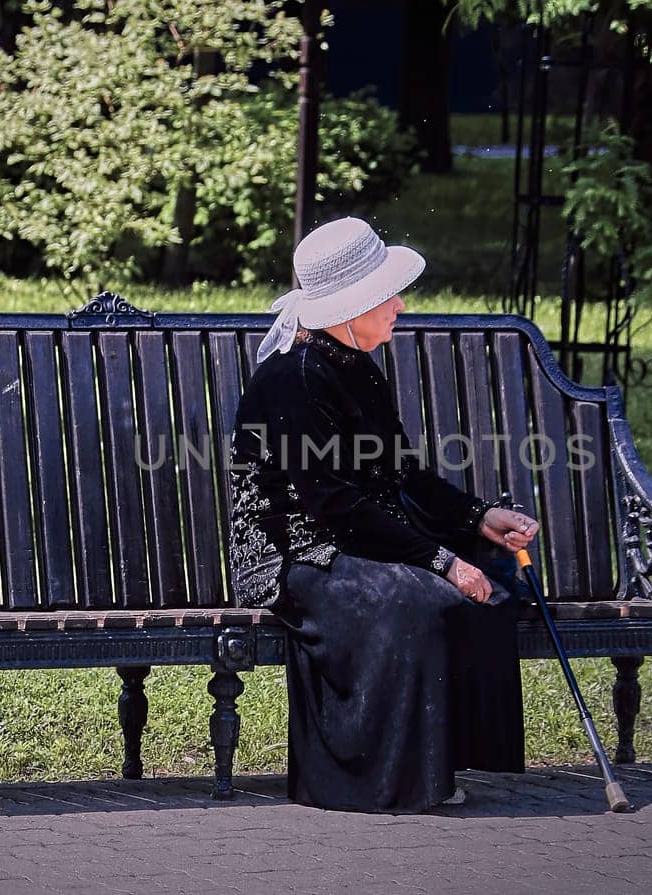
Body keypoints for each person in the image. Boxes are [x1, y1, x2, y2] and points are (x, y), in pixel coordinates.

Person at [227, 217, 541, 813]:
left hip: (352, 538)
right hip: (294, 554)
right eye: (385, 295)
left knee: (496, 583)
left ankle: (440, 765)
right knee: (421, 600)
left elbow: (404, 475)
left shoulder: (356, 367)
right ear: (351, 308)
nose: (398, 304)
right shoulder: (290, 379)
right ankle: (375, 779)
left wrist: (480, 518)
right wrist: (441, 562)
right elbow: (333, 503)